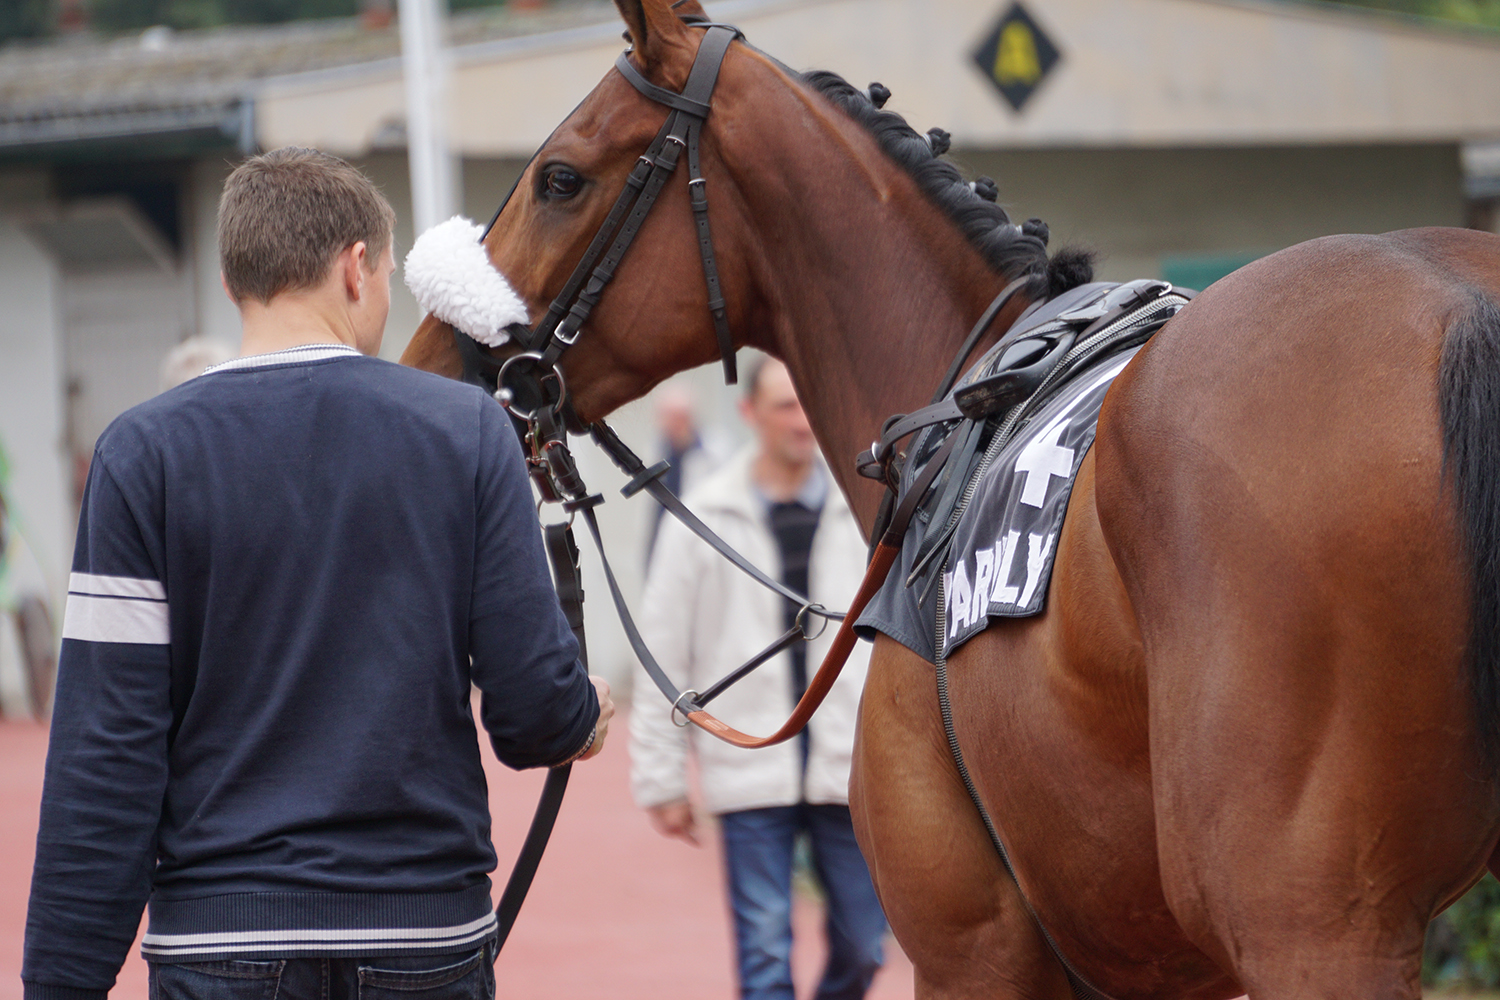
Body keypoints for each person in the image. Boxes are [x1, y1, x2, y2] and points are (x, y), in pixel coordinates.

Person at [22, 147, 613, 1000]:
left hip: (219, 942)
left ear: (234, 285)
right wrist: (582, 715)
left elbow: (106, 753)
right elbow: (532, 713)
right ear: (358, 266)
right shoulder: (464, 432)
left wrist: (60, 984)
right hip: (422, 934)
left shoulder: (140, 455)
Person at [629, 356, 886, 1000]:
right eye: (783, 407)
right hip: (749, 768)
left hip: (847, 770)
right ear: (748, 414)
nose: (801, 422)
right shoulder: (703, 516)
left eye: (807, 406)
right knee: (764, 956)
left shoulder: (867, 511)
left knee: (867, 945)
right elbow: (663, 650)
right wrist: (661, 778)